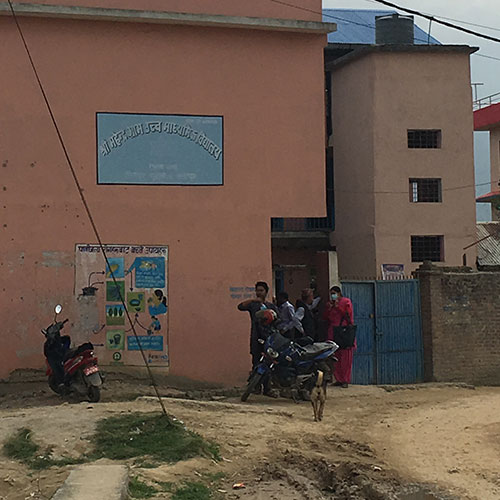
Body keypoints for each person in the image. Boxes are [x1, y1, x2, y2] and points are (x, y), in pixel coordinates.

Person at [238, 281, 278, 369]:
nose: (259, 293)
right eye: (257, 291)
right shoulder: (253, 305)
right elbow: (240, 307)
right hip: (256, 336)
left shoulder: (270, 306)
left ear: (266, 292)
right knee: (256, 361)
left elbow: (277, 320)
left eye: (261, 290)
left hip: (268, 337)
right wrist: (253, 300)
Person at [323, 285, 355, 388]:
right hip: (333, 332)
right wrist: (329, 308)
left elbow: (348, 315)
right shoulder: (330, 305)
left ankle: (345, 379)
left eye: (334, 293)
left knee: (346, 358)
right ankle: (338, 378)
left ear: (339, 293)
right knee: (335, 357)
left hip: (344, 331)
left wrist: (338, 307)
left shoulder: (346, 302)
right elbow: (326, 317)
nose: (332, 296)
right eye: (331, 294)